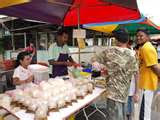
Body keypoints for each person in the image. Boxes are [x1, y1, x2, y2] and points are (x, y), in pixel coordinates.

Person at [94, 29, 138, 120]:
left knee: (113, 116)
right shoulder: (132, 54)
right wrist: (136, 92)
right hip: (125, 93)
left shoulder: (109, 51)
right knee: (121, 115)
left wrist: (103, 68)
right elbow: (136, 74)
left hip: (112, 93)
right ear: (127, 40)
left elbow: (94, 61)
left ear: (116, 40)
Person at [136, 28, 160, 120]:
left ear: (147, 36)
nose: (138, 38)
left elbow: (154, 66)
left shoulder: (146, 48)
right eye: (137, 36)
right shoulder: (145, 47)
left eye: (141, 36)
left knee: (144, 113)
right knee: (145, 111)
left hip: (147, 84)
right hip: (147, 83)